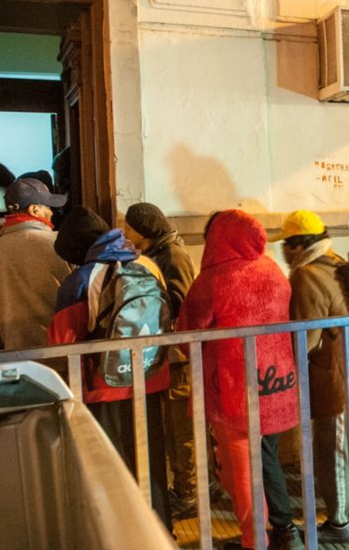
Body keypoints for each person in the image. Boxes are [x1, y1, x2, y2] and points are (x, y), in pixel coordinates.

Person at [177, 210, 300, 550]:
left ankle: (254, 540)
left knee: (240, 470)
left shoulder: (214, 279)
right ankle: (279, 532)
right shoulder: (274, 272)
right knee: (263, 460)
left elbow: (188, 333)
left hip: (232, 389)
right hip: (275, 385)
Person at [48, 206, 172, 530]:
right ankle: (161, 531)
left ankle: (127, 533)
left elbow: (61, 340)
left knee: (114, 465)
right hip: (151, 377)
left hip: (105, 386)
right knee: (152, 463)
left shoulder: (80, 279)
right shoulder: (146, 264)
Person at [273, 210, 349, 543]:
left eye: (285, 245)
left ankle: (339, 523)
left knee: (334, 448)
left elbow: (305, 338)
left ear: (296, 245)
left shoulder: (307, 274)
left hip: (338, 378)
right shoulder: (338, 262)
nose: (283, 251)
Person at [123, 202, 198, 519]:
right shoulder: (157, 253)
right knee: (172, 426)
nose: (124, 233)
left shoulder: (173, 256)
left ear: (142, 230)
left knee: (181, 429)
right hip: (165, 354)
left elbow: (181, 304)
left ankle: (189, 494)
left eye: (127, 227)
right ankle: (188, 487)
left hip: (177, 355)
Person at [0, 178, 71, 350]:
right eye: (48, 207)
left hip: (18, 357)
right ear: (34, 209)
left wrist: (14, 341)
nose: (52, 213)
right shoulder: (63, 245)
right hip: (68, 353)